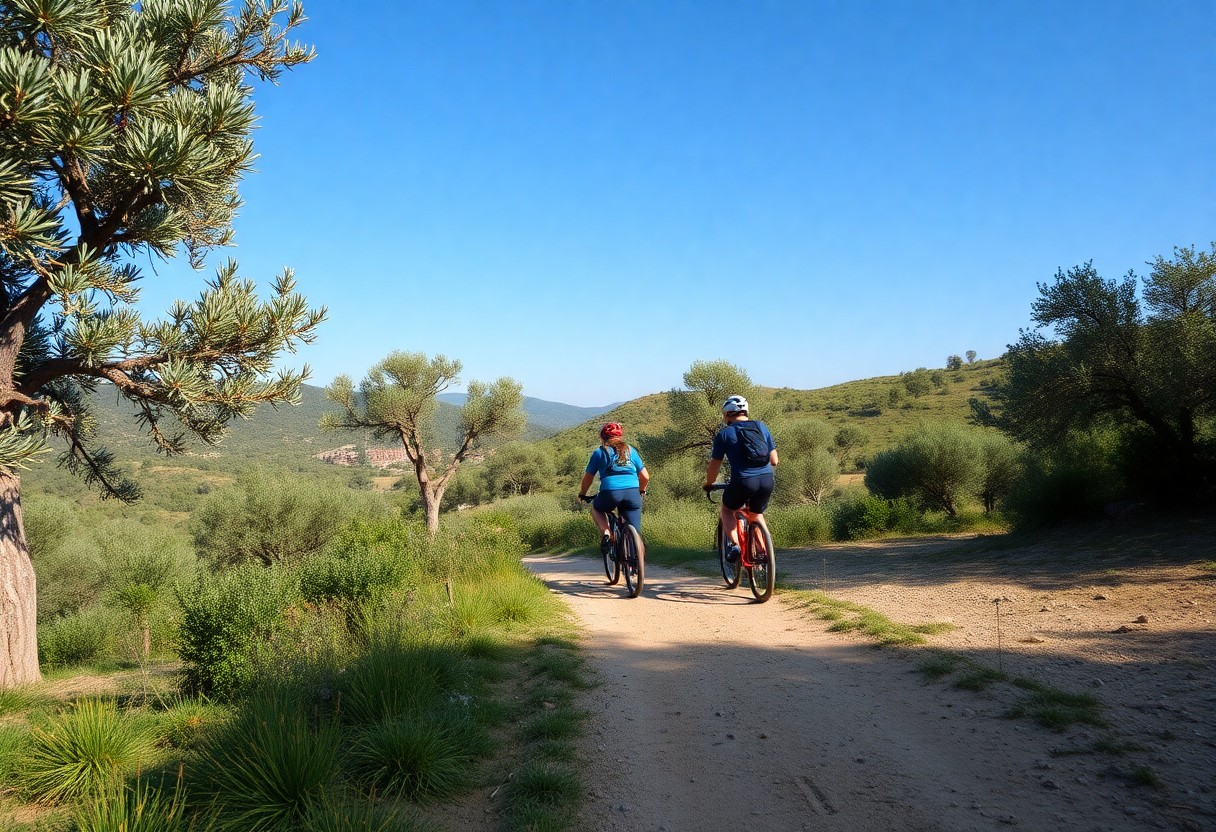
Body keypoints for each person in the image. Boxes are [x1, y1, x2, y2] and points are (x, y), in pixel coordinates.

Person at [703, 395, 778, 561]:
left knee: (728, 510)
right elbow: (774, 460)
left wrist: (709, 483)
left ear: (727, 414)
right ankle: (764, 552)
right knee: (756, 514)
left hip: (743, 481)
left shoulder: (725, 434)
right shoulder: (761, 427)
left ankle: (735, 545)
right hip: (766, 480)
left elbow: (714, 466)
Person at [579, 422, 650, 554]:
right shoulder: (631, 450)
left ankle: (606, 532)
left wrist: (583, 493)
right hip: (632, 494)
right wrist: (641, 490)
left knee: (596, 509)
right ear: (621, 436)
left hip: (610, 493)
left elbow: (588, 478)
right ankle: (637, 561)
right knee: (635, 529)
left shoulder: (599, 452)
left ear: (603, 438)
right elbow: (645, 476)